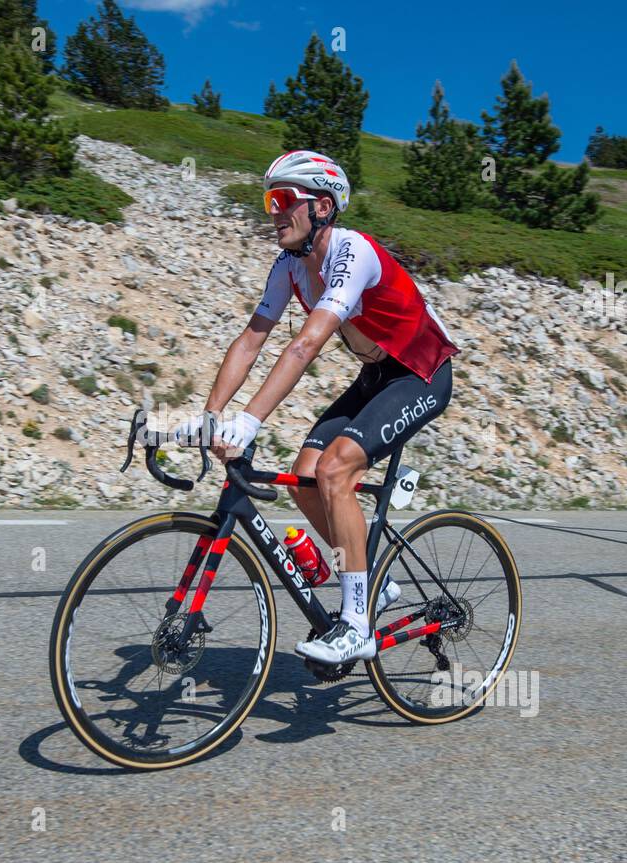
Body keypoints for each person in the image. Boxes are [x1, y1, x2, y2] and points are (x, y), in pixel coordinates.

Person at [173, 149, 459, 666]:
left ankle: (356, 627)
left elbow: (305, 345)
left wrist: (250, 419)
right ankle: (372, 581)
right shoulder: (289, 265)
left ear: (323, 207)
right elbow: (252, 338)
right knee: (306, 479)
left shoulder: (353, 253)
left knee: (334, 470)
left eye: (284, 200)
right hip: (377, 375)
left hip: (421, 373)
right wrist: (213, 412)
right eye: (269, 200)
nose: (273, 212)